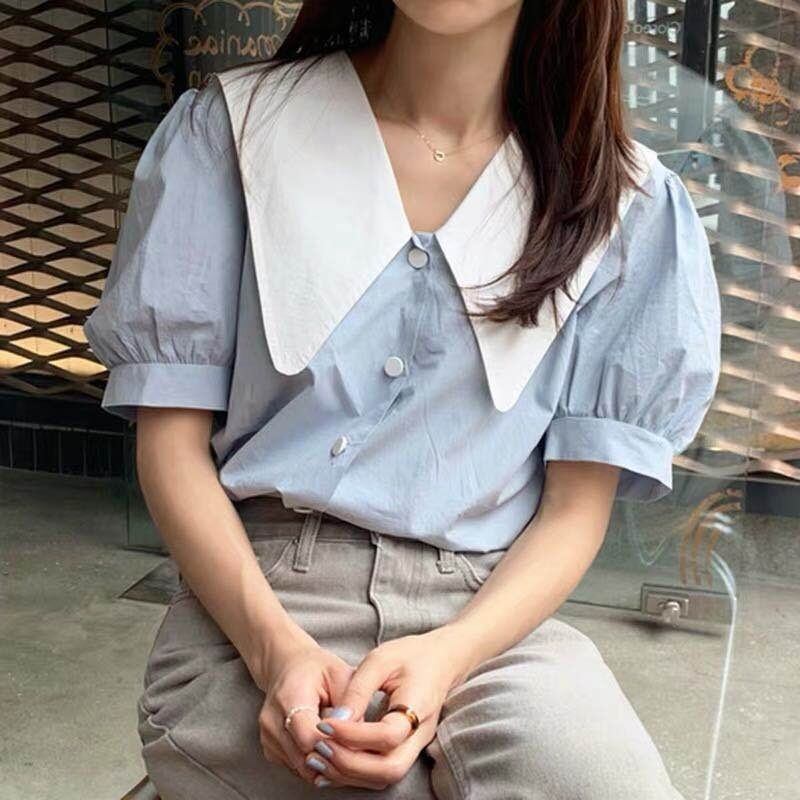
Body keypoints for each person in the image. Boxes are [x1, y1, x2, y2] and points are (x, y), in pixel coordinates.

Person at [84, 2, 721, 798]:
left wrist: (451, 654)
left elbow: (574, 510)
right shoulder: (235, 131)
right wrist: (276, 652)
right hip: (260, 599)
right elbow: (170, 445)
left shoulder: (623, 199)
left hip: (494, 619)